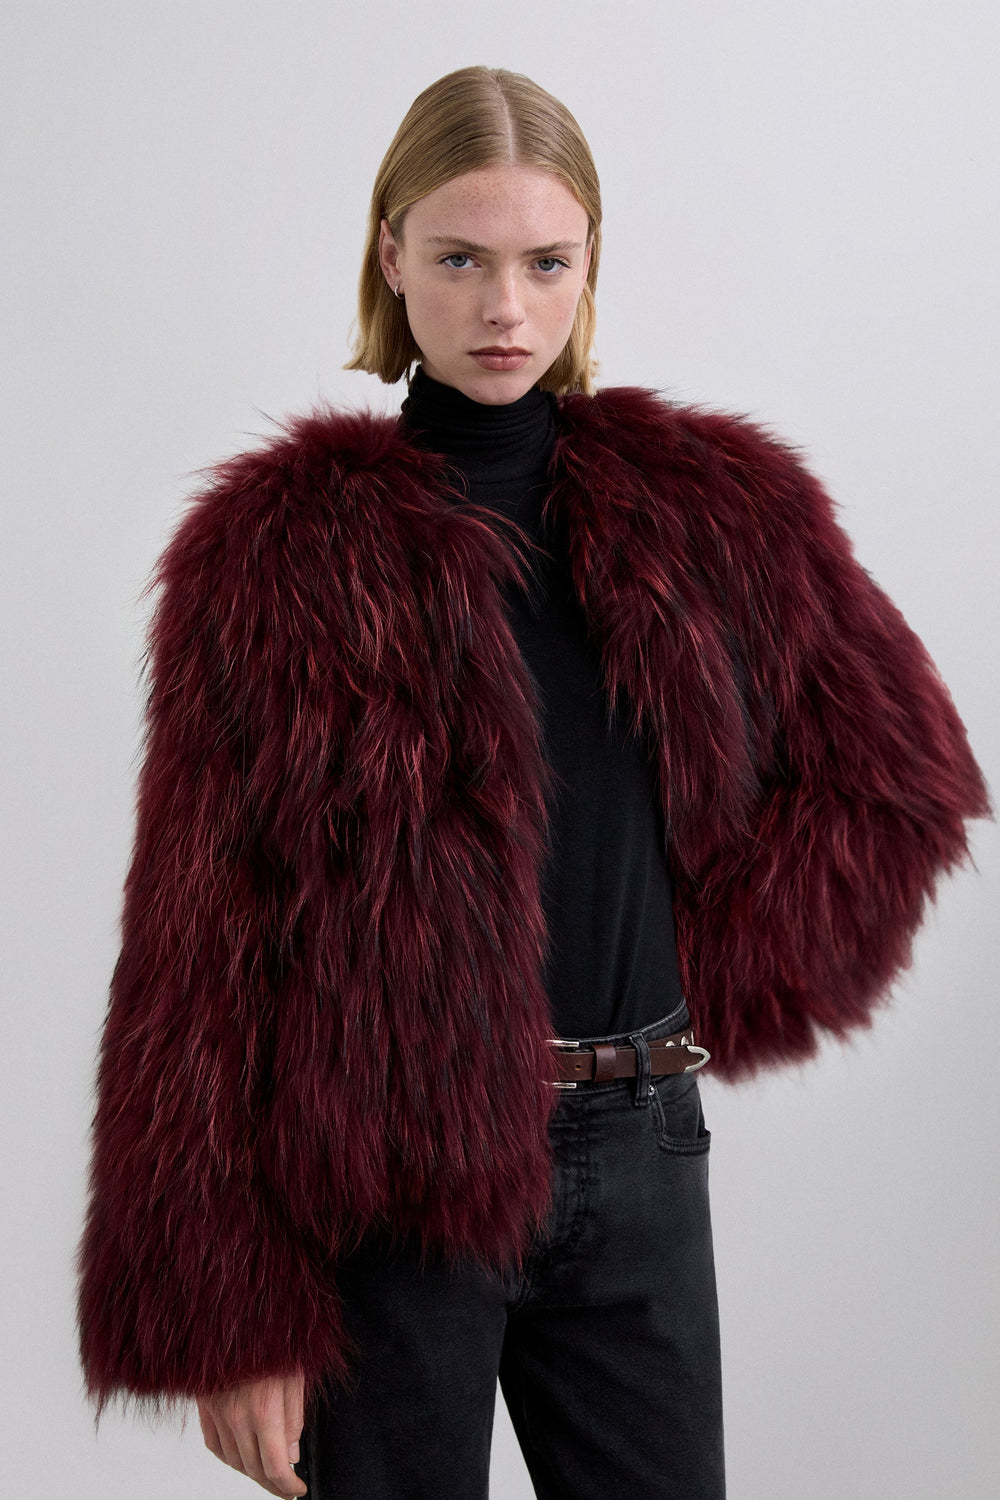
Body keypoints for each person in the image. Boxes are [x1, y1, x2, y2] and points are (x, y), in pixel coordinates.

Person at [76, 65, 989, 1500]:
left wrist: (717, 966)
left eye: (546, 263)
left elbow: (898, 775)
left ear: (590, 263)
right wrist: (230, 1314)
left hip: (639, 1144)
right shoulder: (276, 554)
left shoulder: (713, 513)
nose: (505, 307)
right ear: (391, 256)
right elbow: (195, 954)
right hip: (388, 1172)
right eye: (461, 259)